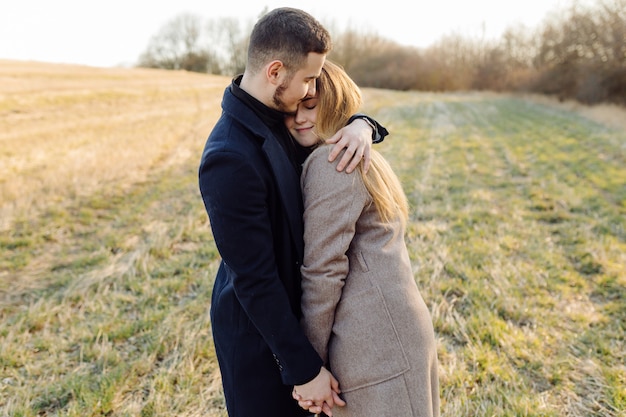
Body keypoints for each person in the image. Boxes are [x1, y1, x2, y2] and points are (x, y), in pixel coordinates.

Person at [198, 8, 387, 417]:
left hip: (299, 329)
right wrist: (303, 370)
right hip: (262, 343)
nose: (310, 90)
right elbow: (255, 281)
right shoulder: (229, 157)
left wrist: (361, 124)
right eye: (307, 79)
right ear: (275, 71)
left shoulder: (278, 116)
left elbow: (326, 121)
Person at [287, 60, 440, 417]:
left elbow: (323, 271)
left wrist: (308, 366)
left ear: (334, 102)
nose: (298, 119)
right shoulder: (360, 151)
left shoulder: (332, 161)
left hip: (375, 350)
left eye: (309, 107)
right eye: (291, 111)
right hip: (395, 335)